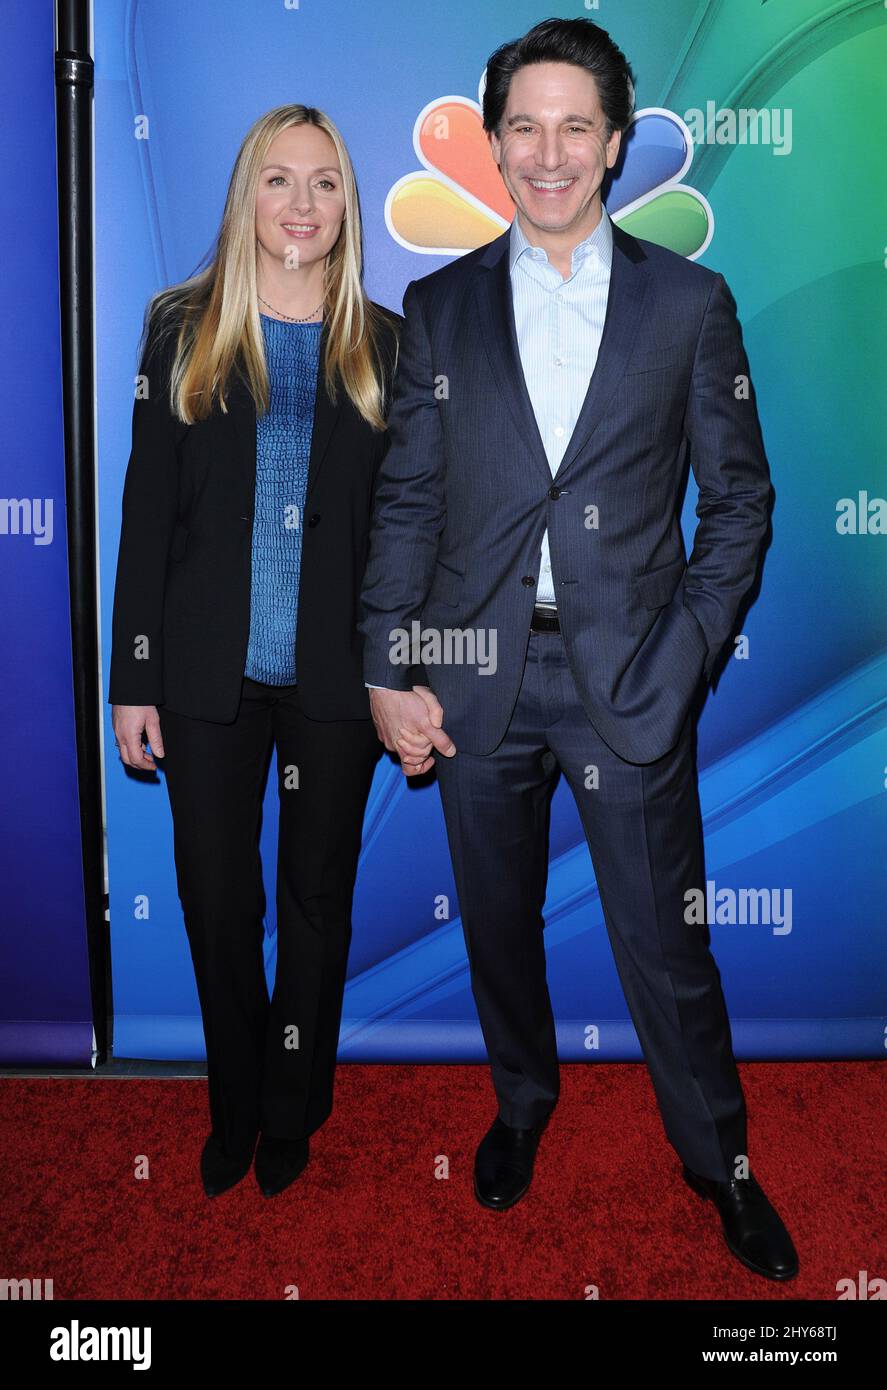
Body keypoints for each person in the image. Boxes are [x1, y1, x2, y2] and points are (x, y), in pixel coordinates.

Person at [359, 18, 797, 1281]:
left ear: (611, 145)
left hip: (630, 682)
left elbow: (741, 501)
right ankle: (520, 1104)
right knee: (494, 924)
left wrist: (685, 655)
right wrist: (390, 665)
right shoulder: (436, 306)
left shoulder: (688, 302)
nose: (545, 152)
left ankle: (719, 1161)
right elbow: (406, 501)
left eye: (573, 126)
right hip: (473, 680)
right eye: (521, 125)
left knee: (665, 944)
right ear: (494, 141)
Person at [109, 105, 402, 1200]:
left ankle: (292, 1104)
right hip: (201, 680)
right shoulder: (179, 327)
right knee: (215, 901)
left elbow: (407, 532)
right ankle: (234, 1100)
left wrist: (405, 667)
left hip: (331, 685)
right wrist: (131, 678)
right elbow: (146, 516)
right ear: (246, 196)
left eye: (324, 183)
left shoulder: (387, 343)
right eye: (278, 180)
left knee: (315, 904)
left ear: (345, 204)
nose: (301, 204)